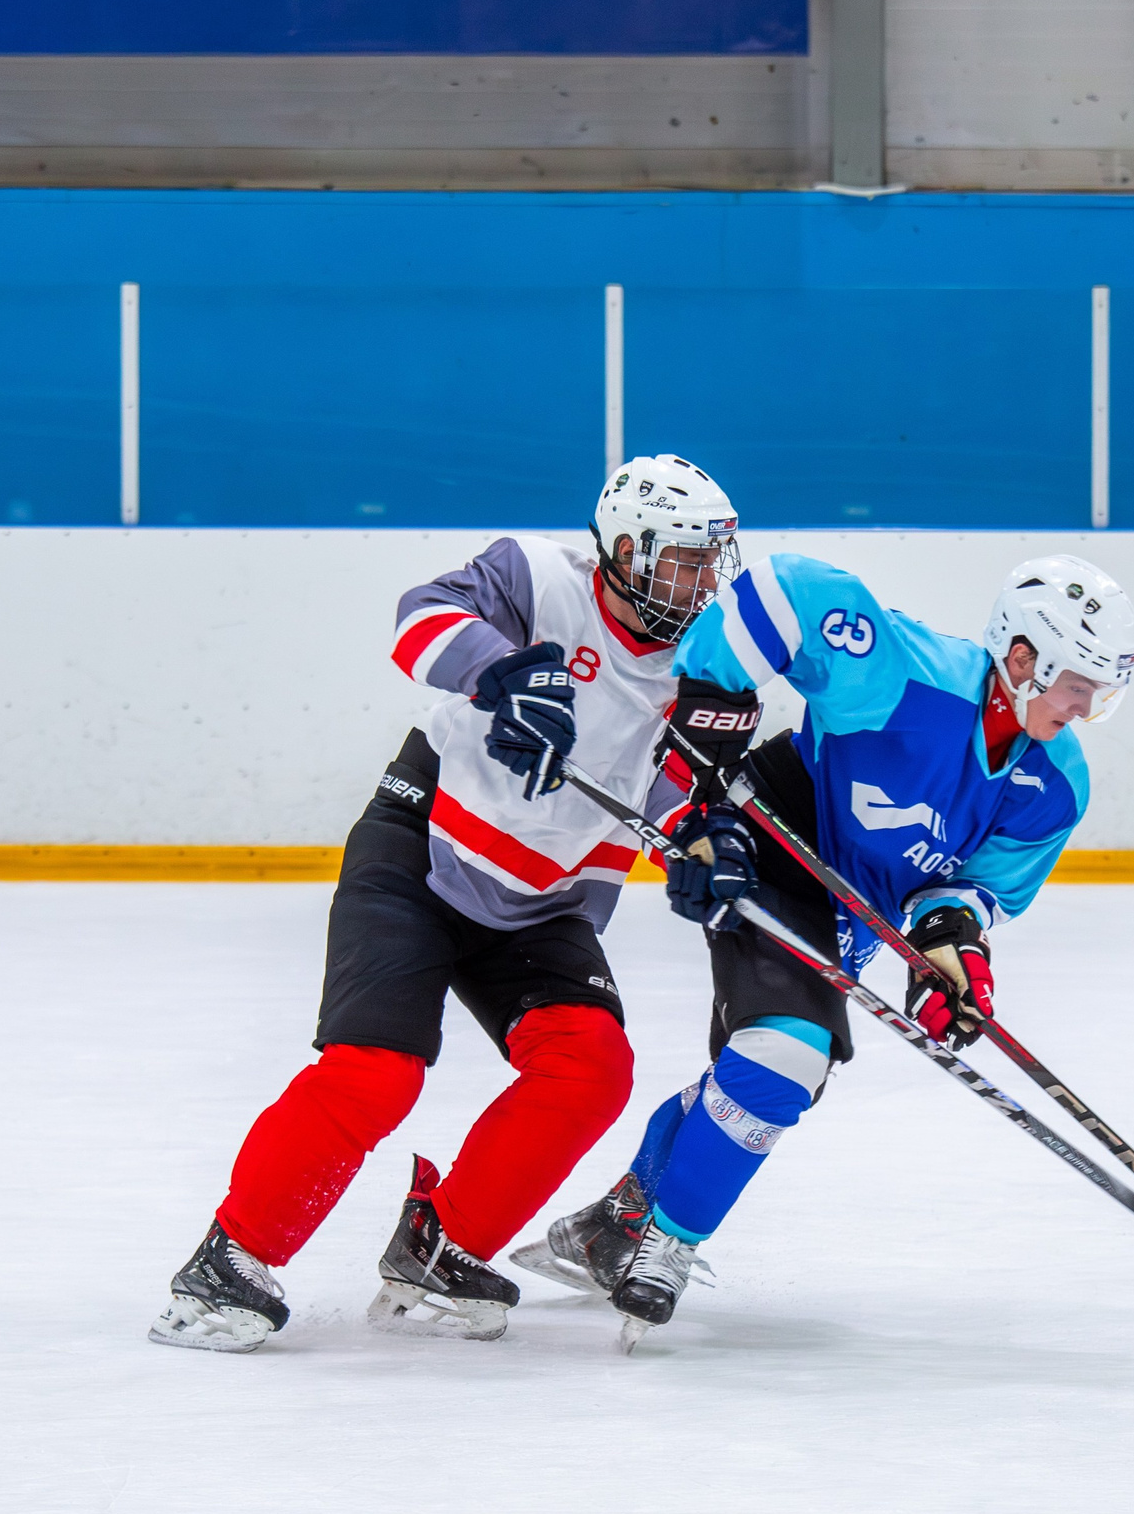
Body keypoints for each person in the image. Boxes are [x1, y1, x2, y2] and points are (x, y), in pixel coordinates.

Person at [150, 457, 741, 1349]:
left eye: (711, 562)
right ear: (627, 551)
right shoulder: (535, 577)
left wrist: (701, 840)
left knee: (589, 1068)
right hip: (420, 852)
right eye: (685, 562)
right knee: (375, 1070)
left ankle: (443, 1243)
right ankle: (229, 1260)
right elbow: (419, 615)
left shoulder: (712, 664)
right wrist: (507, 673)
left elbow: (683, 785)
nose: (703, 583)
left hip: (546, 903)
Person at [523, 554, 1134, 1339]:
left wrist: (953, 951)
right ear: (1021, 659)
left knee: (771, 1077)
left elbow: (968, 891)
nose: (1084, 707)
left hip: (855, 904)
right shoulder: (912, 678)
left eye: (1099, 691)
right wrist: (711, 706)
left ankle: (615, 1223)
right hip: (776, 837)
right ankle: (666, 1247)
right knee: (785, 1055)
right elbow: (788, 591)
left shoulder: (1056, 783)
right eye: (1077, 684)